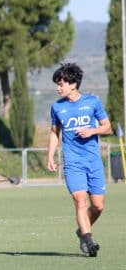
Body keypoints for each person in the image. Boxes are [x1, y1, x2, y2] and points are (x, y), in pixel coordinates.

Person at [47, 63, 112, 257]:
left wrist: (92, 130)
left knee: (98, 206)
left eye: (61, 84)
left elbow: (107, 127)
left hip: (93, 161)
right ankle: (89, 241)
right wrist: (50, 155)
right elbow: (54, 133)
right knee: (80, 200)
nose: (58, 88)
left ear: (73, 84)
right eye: (57, 84)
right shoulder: (57, 107)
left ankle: (82, 232)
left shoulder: (93, 102)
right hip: (73, 161)